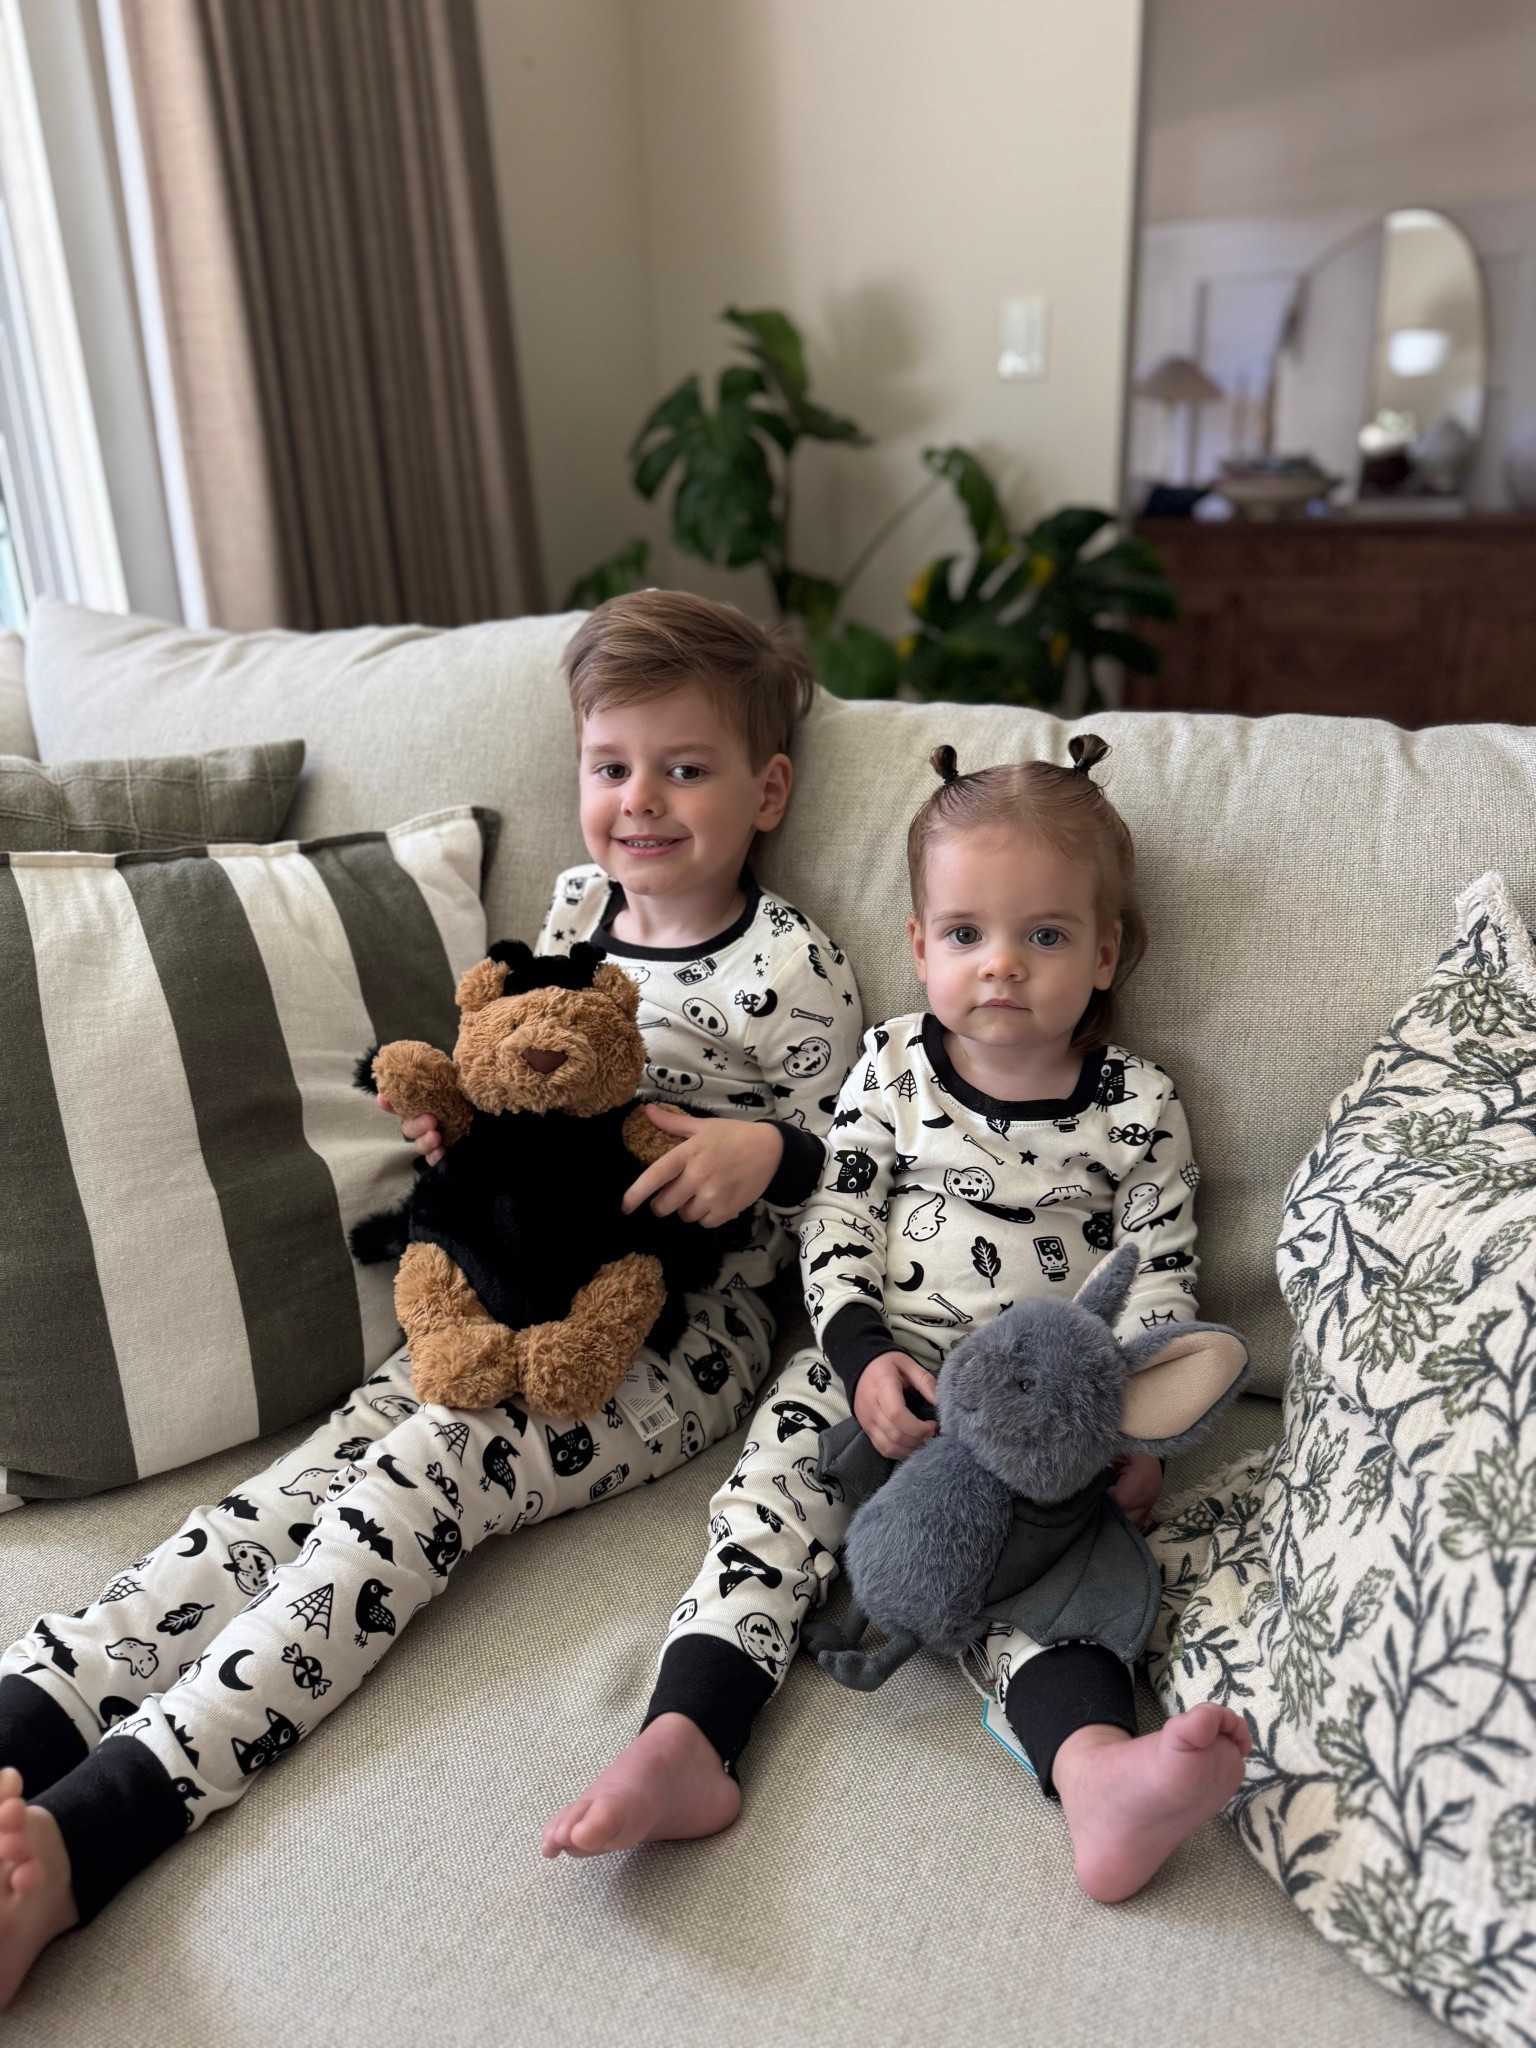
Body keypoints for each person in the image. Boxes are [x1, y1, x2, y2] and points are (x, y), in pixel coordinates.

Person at [0, 590, 861, 2005]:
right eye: (610, 768)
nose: (638, 802)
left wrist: (770, 1152)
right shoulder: (576, 912)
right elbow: (526, 1076)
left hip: (665, 1334)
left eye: (684, 770)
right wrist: (465, 1137)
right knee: (290, 1486)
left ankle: (96, 1835)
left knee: (416, 1481)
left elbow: (863, 1178)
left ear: (765, 791)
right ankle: (30, 1716)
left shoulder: (794, 971)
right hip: (502, 1279)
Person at [543, 737, 1250, 1901]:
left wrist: (1132, 1430)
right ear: (919, 945)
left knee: (1063, 1578)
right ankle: (687, 1735)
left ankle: (1097, 1774)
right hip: (877, 1368)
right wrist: (860, 1355)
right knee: (769, 1507)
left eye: (1047, 935)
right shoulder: (892, 1070)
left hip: (1040, 1407)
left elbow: (1164, 1279)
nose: (1003, 966)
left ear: (1107, 950)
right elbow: (837, 1224)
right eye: (966, 934)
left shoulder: (1140, 1105)